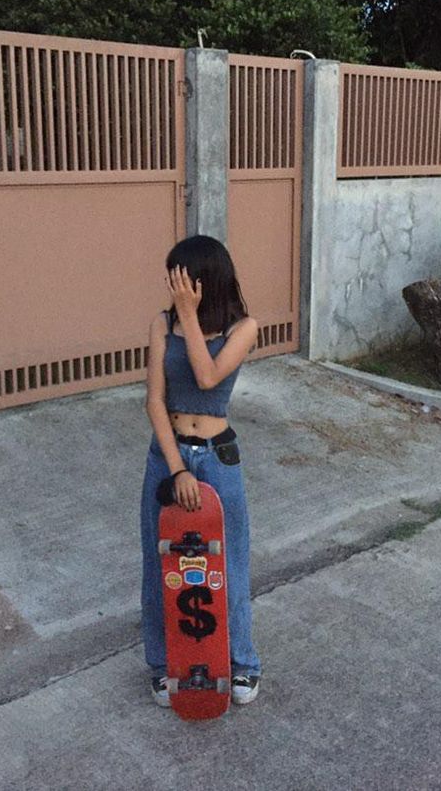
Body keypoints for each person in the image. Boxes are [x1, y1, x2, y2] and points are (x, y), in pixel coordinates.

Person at [140, 234, 262, 707]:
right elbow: (154, 401)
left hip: (217, 456)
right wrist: (176, 471)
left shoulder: (243, 328)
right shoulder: (161, 323)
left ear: (203, 281)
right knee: (160, 564)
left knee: (226, 565)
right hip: (167, 455)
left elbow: (208, 376)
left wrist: (189, 317)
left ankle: (243, 664)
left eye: (180, 277)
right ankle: (161, 664)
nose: (172, 288)